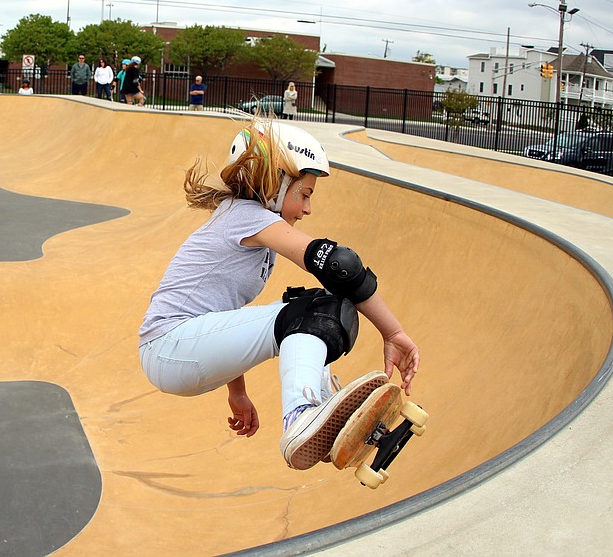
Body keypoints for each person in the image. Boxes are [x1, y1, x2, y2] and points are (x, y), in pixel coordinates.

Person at [138, 120, 419, 470]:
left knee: (321, 305)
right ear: (275, 183)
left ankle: (327, 415)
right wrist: (392, 332)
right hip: (168, 345)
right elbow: (337, 264)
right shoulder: (246, 215)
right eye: (304, 194)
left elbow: (224, 314)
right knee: (315, 312)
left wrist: (236, 393)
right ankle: (302, 417)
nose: (307, 209)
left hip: (183, 350)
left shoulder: (245, 221)